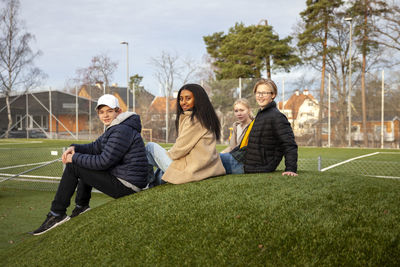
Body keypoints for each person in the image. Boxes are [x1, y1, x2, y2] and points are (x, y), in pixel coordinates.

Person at [31, 94, 148, 235]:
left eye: (109, 111)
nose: (105, 115)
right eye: (101, 112)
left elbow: (103, 162)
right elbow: (94, 147)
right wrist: (75, 148)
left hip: (128, 187)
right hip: (124, 179)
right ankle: (81, 206)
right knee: (82, 160)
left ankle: (57, 214)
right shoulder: (116, 127)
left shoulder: (121, 130)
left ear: (119, 111)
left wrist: (74, 158)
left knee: (75, 165)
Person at [146, 83, 226, 185]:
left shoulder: (195, 120)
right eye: (181, 99)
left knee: (149, 147)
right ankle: (151, 181)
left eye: (188, 98)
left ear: (198, 99)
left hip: (192, 170)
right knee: (158, 172)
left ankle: (146, 184)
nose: (183, 102)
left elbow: (179, 150)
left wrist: (163, 156)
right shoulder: (203, 117)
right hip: (201, 168)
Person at [220, 78, 298, 176]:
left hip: (250, 166)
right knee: (208, 158)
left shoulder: (277, 117)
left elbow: (289, 144)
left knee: (206, 160)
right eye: (258, 93)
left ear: (273, 95)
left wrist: (291, 169)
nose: (260, 96)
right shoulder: (261, 115)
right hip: (240, 159)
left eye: (264, 93)